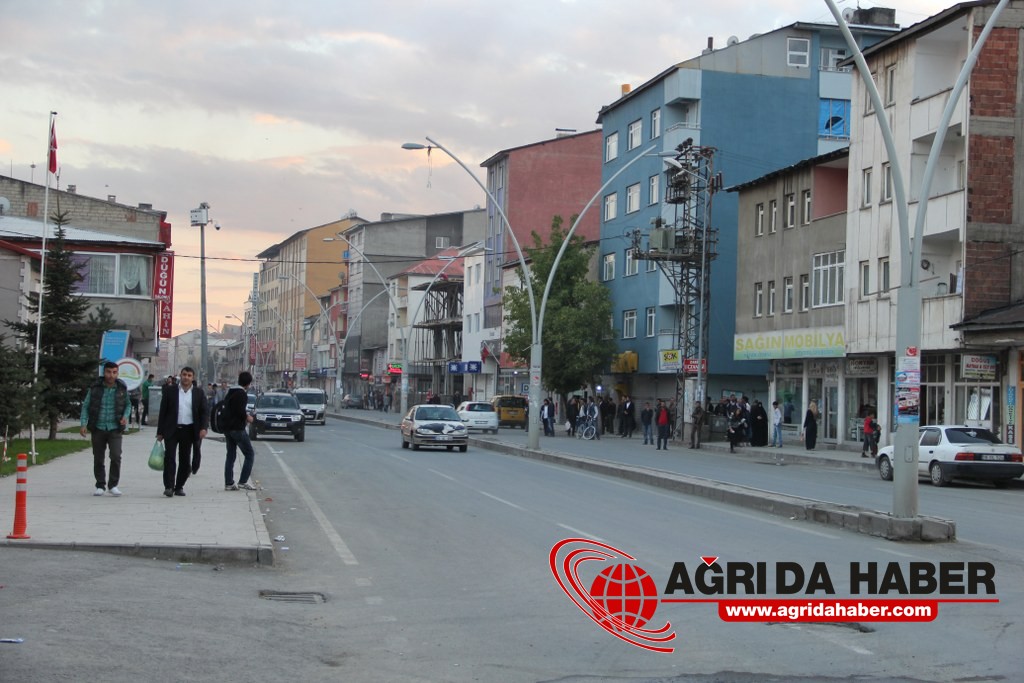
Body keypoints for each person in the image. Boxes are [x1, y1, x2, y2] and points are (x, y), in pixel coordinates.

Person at [156, 366, 209, 497]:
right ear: (180, 375)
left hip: (189, 430)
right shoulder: (170, 391)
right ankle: (169, 486)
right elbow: (163, 411)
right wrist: (160, 431)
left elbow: (204, 412)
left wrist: (203, 428)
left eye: (189, 375)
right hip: (172, 429)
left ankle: (179, 486)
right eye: (184, 374)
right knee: (169, 458)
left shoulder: (198, 393)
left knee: (185, 460)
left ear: (193, 377)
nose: (186, 377)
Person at [80, 361, 131, 496]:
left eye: (114, 372)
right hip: (98, 427)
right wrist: (83, 424)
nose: (111, 375)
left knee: (116, 456)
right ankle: (100, 485)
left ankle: (113, 485)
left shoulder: (121, 388)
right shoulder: (95, 388)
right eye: (108, 372)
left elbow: (128, 405)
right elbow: (86, 406)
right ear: (104, 372)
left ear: (117, 373)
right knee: (98, 457)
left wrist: (125, 416)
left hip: (115, 428)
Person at [223, 371, 257, 491]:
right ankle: (243, 481)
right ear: (248, 383)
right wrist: (248, 417)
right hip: (237, 429)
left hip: (228, 428)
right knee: (249, 454)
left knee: (231, 455)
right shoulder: (241, 394)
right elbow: (240, 411)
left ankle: (229, 483)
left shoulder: (230, 392)